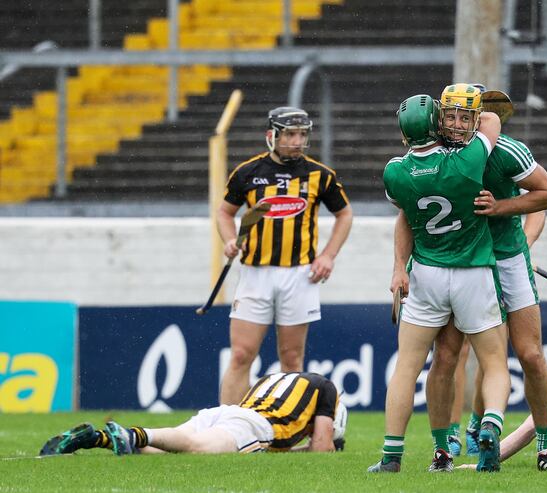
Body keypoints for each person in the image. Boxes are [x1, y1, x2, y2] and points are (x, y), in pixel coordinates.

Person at [423, 84, 547, 471]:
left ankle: (545, 448)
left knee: (531, 355)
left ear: (478, 120)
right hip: (461, 261)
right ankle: (446, 446)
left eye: (466, 116)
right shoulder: (430, 152)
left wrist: (503, 208)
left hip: (505, 257)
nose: (456, 124)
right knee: (451, 354)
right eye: (451, 116)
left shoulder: (508, 152)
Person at [368, 87, 509, 473]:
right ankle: (491, 424)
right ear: (438, 124)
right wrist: (471, 117)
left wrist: (400, 266)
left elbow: (406, 213)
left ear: (402, 135)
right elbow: (493, 121)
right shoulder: (467, 161)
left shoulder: (394, 173)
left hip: (426, 276)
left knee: (407, 368)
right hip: (473, 273)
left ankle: (392, 456)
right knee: (494, 363)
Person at [217, 106, 353, 405]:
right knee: (241, 355)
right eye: (290, 134)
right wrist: (229, 240)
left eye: (302, 134)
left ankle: (287, 427)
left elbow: (344, 215)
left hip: (299, 275)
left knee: (292, 358)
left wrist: (328, 256)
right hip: (255, 273)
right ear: (272, 135)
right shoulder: (247, 173)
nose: (296, 140)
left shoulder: (320, 175)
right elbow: (225, 213)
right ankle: (226, 427)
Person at [40, 372, 348, 456]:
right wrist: (322, 447)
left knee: (173, 449)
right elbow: (321, 447)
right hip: (253, 426)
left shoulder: (278, 378)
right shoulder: (328, 390)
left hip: (228, 411)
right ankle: (129, 434)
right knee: (195, 448)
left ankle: (99, 438)